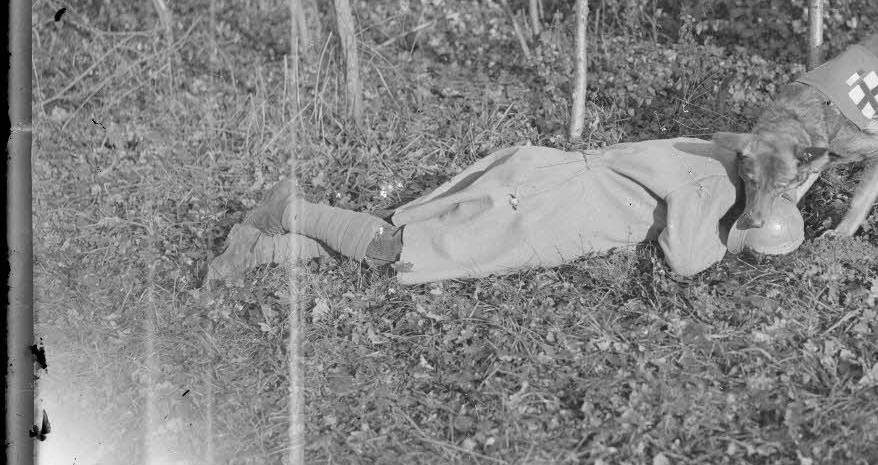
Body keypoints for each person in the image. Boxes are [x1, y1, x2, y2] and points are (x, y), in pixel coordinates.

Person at [207, 138, 821, 285]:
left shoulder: (730, 156)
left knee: (405, 235)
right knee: (405, 250)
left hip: (550, 191)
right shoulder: (713, 186)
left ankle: (258, 247)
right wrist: (725, 242)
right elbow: (686, 260)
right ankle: (291, 208)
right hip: (544, 204)